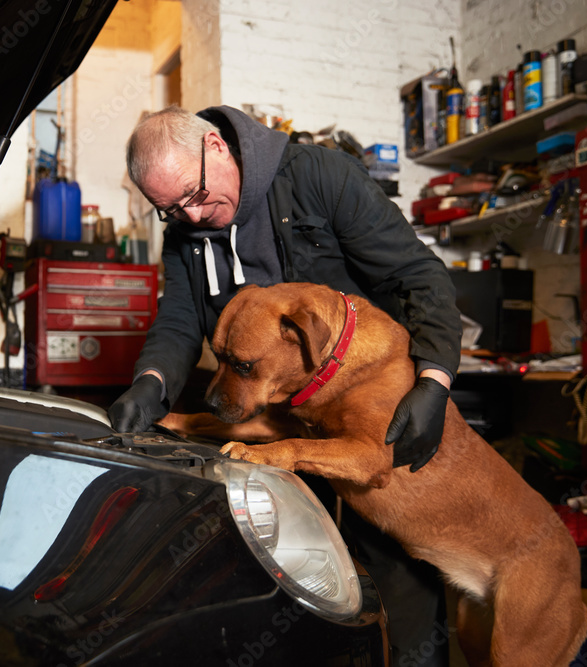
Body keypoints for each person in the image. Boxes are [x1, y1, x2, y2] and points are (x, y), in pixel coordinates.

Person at [109, 105, 462, 665]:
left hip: (364, 415)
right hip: (276, 420)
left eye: (195, 195)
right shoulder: (187, 228)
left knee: (397, 576)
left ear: (217, 148)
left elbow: (416, 274)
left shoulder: (320, 176)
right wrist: (150, 384)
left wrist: (435, 378)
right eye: (171, 210)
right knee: (283, 571)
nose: (193, 215)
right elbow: (177, 318)